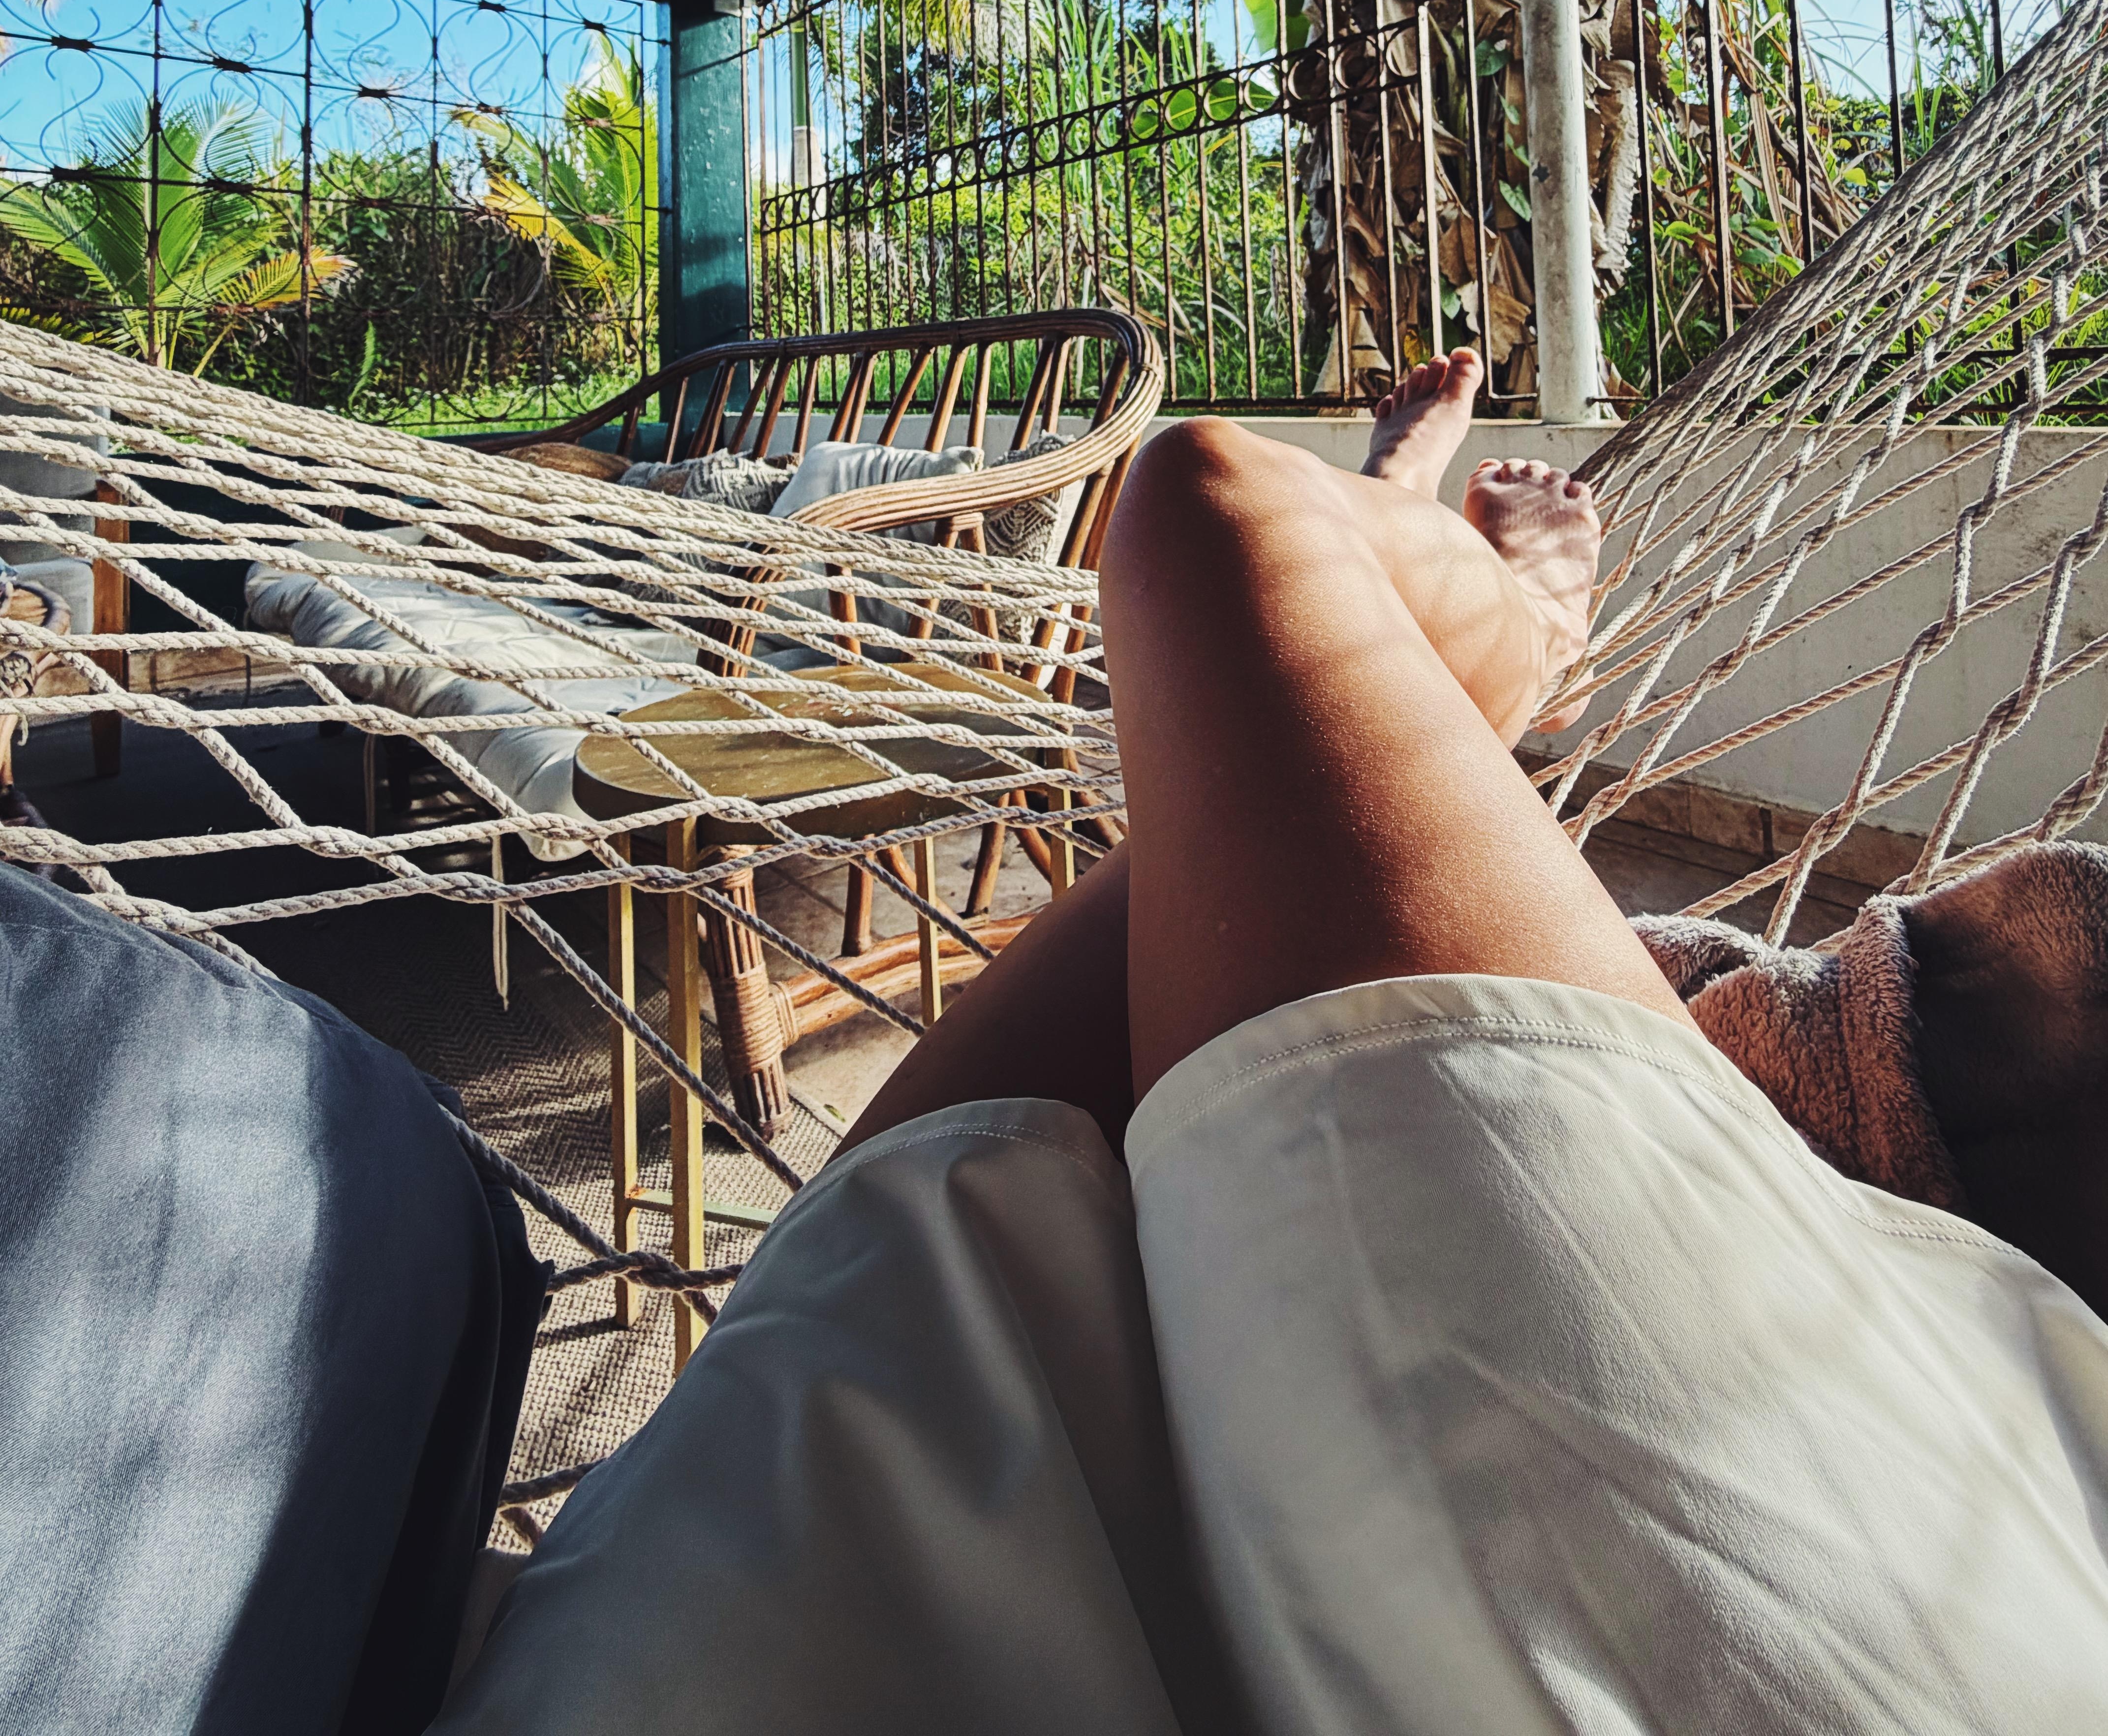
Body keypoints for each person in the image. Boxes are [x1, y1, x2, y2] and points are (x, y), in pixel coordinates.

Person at [441, 354, 2108, 1735]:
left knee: (1221, 521)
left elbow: (1208, 491)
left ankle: (1497, 640)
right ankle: (1468, 660)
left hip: (716, 1623)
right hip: (731, 1602)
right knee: (1235, 706)